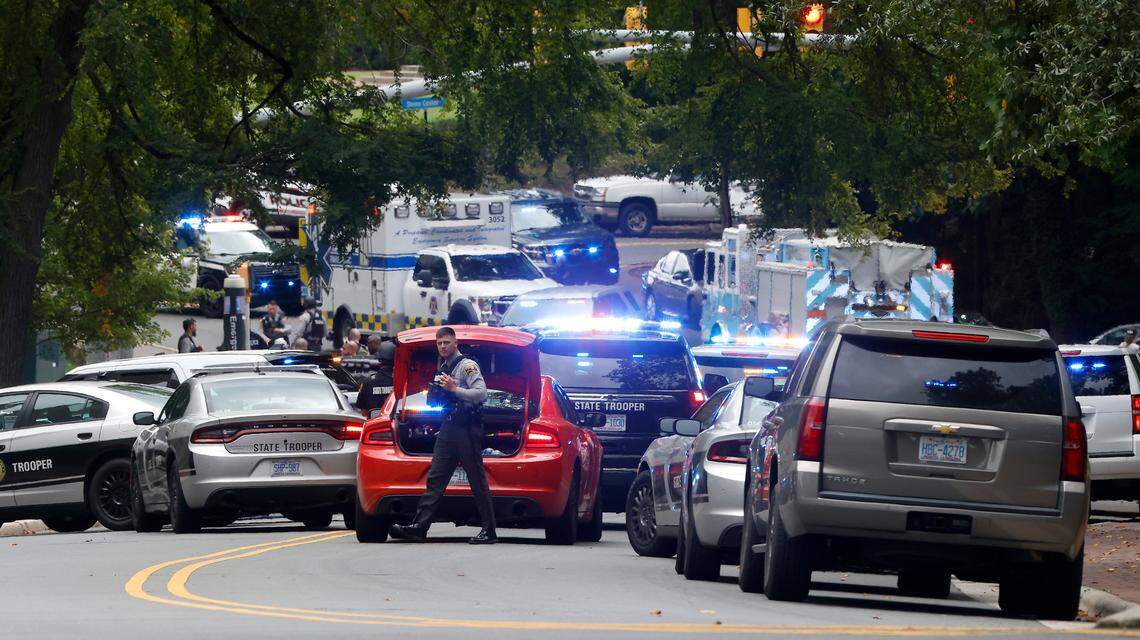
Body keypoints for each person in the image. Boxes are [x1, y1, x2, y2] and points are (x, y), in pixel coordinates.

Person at [391, 327, 496, 544]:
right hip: (448, 427)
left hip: (467, 428)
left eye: (446, 343)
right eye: (439, 343)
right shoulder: (442, 366)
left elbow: (481, 393)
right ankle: (419, 527)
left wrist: (454, 388)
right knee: (435, 478)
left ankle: (489, 531)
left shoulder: (467, 366)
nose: (442, 347)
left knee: (476, 480)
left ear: (455, 343)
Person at [357, 340, 395, 416]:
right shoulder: (401, 381)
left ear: (379, 359)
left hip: (375, 425)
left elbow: (363, 412)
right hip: (396, 424)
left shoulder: (368, 382)